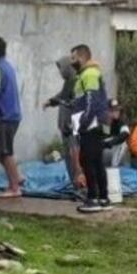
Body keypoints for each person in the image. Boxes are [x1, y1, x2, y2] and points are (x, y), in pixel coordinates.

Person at [70, 44, 111, 213]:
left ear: (81, 57)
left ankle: (93, 198)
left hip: (91, 124)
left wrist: (83, 123)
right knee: (96, 161)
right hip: (93, 123)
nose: (72, 62)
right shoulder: (85, 75)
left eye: (73, 58)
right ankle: (103, 198)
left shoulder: (90, 74)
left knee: (88, 161)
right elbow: (82, 100)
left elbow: (91, 101)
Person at [0, 36, 24, 197]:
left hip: (5, 116)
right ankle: (17, 177)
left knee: (4, 151)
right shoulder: (6, 66)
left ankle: (14, 188)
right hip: (11, 114)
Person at [43, 55, 84, 193]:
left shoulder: (76, 82)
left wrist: (72, 124)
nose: (60, 72)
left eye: (61, 69)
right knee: (68, 157)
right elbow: (62, 96)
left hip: (72, 127)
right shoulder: (68, 83)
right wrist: (51, 101)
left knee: (75, 156)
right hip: (65, 127)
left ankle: (81, 185)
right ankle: (75, 185)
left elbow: (75, 103)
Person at [102, 98, 131, 167]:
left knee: (122, 144)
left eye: (117, 109)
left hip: (114, 150)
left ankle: (114, 167)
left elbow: (125, 134)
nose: (117, 112)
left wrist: (110, 142)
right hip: (103, 152)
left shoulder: (120, 121)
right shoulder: (103, 121)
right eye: (113, 110)